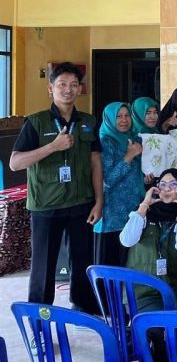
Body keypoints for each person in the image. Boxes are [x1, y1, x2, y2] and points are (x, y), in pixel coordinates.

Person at [10, 62, 102, 315]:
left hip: (80, 202)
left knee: (83, 260)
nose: (68, 90)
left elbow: (95, 161)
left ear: (80, 89)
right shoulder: (36, 122)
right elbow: (16, 162)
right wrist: (53, 146)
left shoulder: (88, 121)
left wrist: (98, 200)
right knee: (44, 266)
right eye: (62, 84)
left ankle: (84, 305)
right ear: (51, 88)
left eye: (74, 85)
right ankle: (40, 314)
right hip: (46, 206)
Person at [120, 168, 177, 362]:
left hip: (175, 283)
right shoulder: (142, 214)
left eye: (173, 185)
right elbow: (126, 240)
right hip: (145, 288)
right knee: (158, 330)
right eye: (162, 184)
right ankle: (141, 335)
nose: (167, 189)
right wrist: (144, 205)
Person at [95, 102, 144, 267]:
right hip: (111, 216)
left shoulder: (134, 139)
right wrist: (128, 157)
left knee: (129, 267)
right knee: (111, 271)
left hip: (133, 212)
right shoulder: (105, 142)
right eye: (118, 116)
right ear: (109, 119)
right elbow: (106, 181)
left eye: (127, 115)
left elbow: (134, 174)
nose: (124, 120)